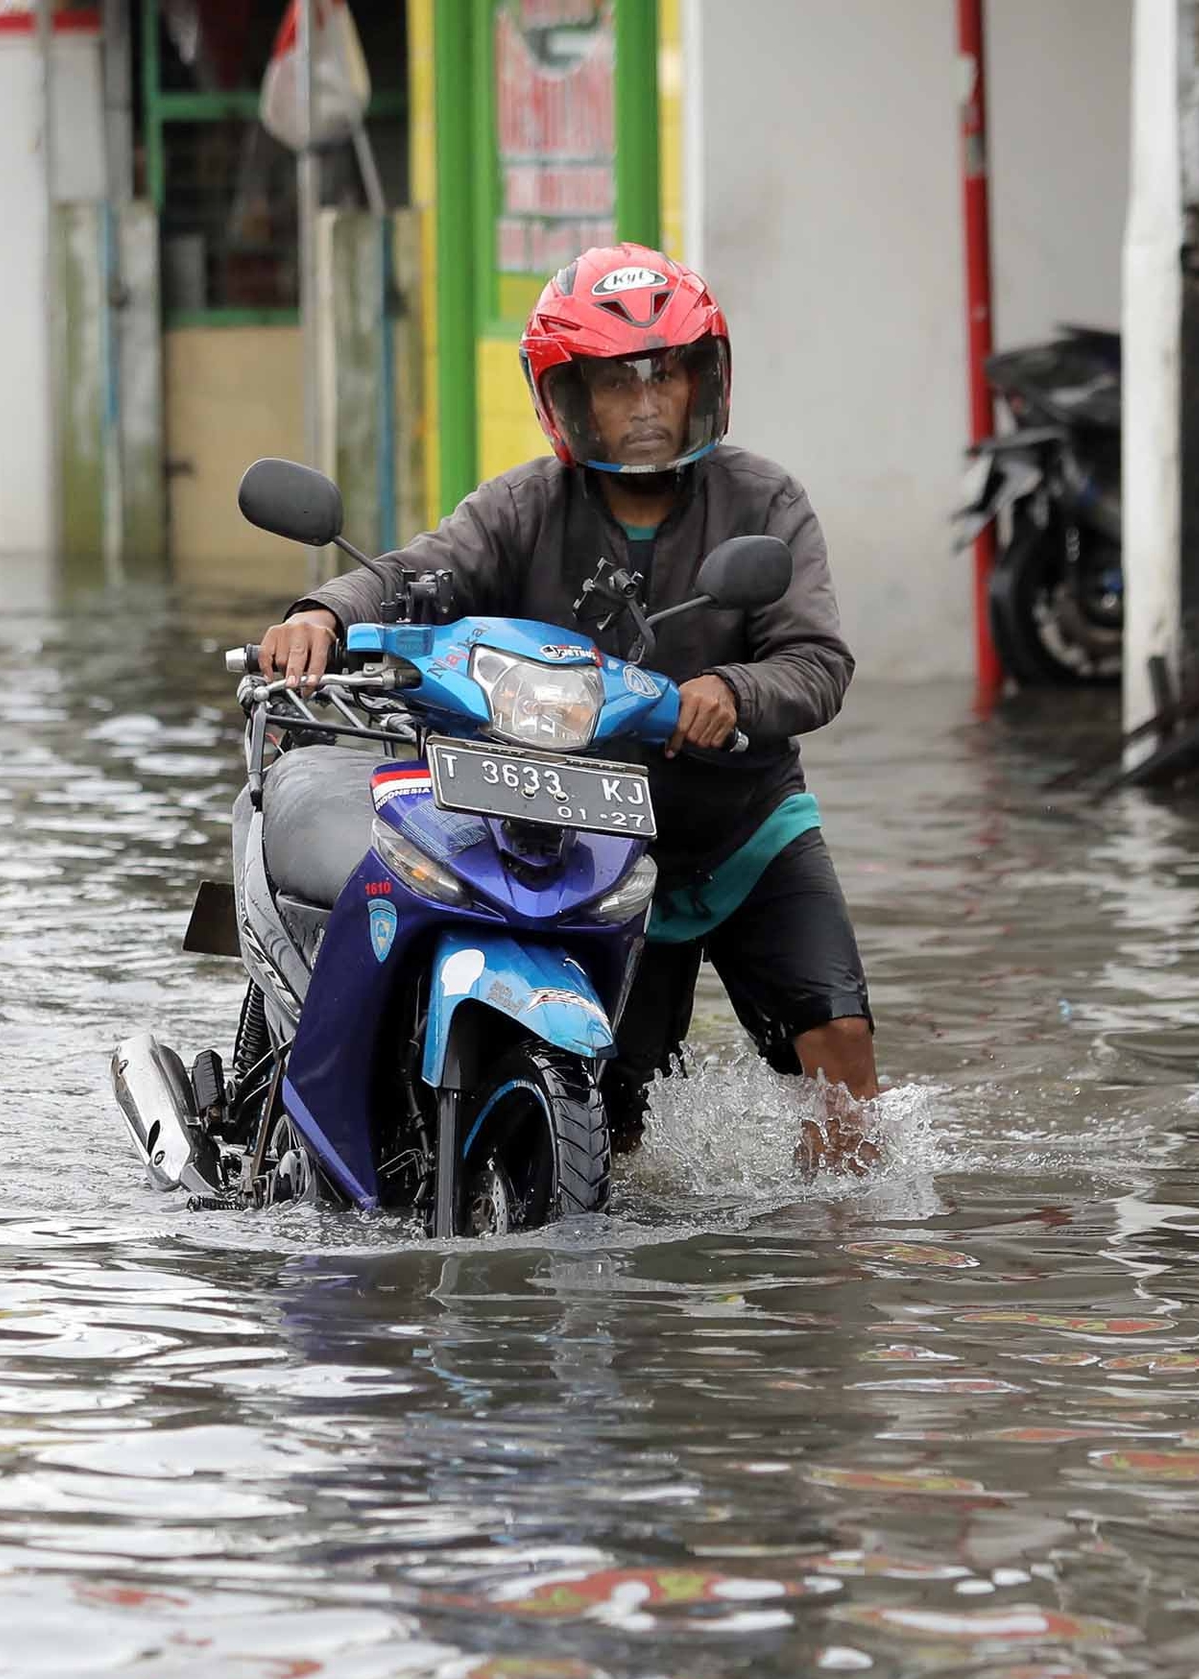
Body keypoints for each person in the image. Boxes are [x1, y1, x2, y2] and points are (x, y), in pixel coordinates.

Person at [257, 243, 879, 1167]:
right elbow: (416, 573)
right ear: (568, 398)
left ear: (701, 383)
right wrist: (323, 612)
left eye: (665, 379)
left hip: (748, 827)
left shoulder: (765, 500)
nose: (644, 407)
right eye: (615, 385)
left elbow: (818, 661)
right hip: (599, 837)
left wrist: (731, 691)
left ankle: (840, 1271)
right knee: (608, 1111)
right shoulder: (522, 506)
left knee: (843, 1061)